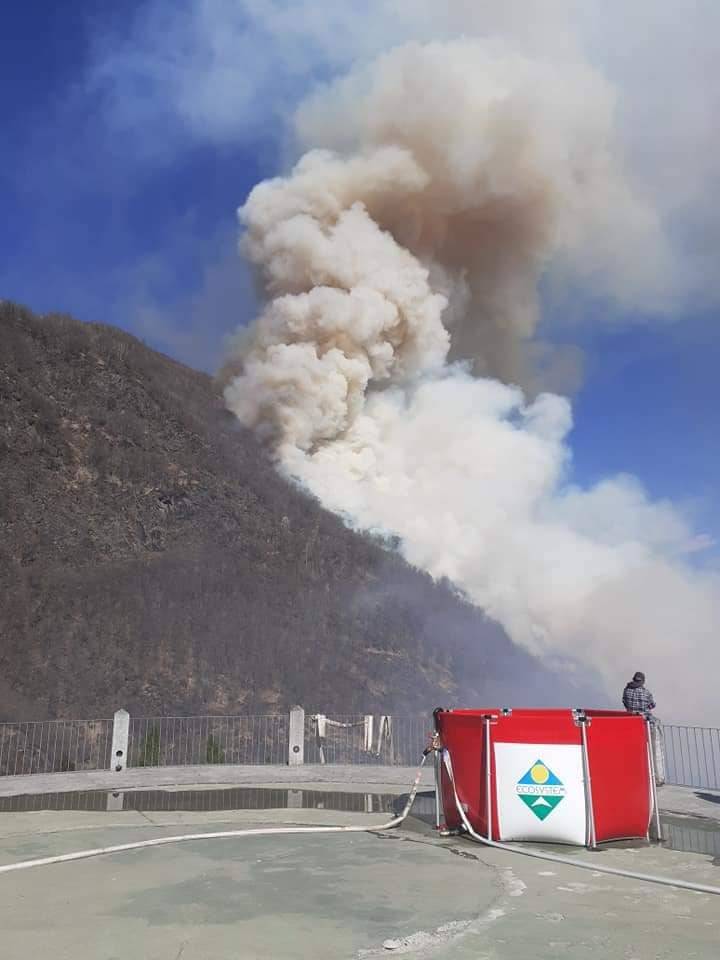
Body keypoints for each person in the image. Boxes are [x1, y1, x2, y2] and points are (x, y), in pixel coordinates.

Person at [623, 671, 665, 785]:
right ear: (642, 681)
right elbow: (652, 705)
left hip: (630, 722)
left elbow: (624, 702)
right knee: (652, 751)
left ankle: (634, 775)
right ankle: (656, 778)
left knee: (634, 752)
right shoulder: (646, 692)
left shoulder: (627, 690)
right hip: (645, 723)